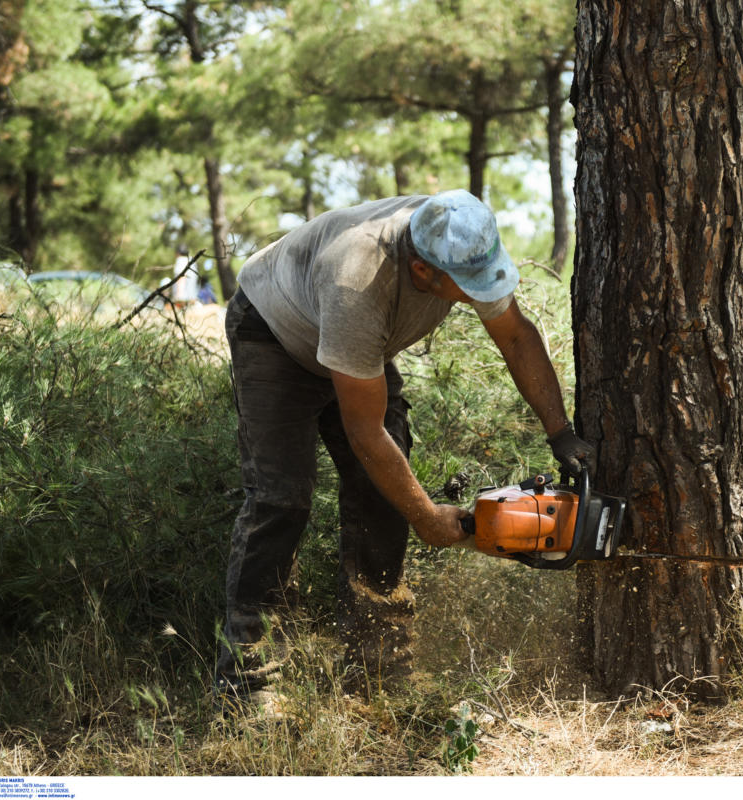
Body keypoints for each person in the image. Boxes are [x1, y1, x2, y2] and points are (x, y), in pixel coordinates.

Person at [214, 190, 592, 712]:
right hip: (277, 331)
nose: (481, 293)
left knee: (382, 492)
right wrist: (427, 517)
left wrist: (561, 433)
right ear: (422, 271)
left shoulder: (461, 240)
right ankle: (250, 682)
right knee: (281, 498)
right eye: (467, 288)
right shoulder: (358, 282)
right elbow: (366, 434)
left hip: (355, 345)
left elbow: (517, 339)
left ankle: (377, 663)